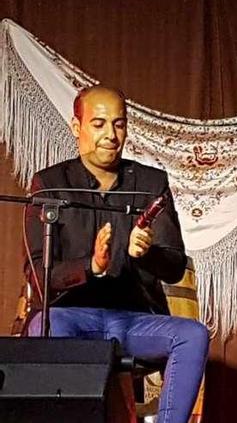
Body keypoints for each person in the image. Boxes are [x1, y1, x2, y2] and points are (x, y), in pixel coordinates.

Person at [24, 85, 210, 423]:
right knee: (43, 327)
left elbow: (174, 266)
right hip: (71, 317)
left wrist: (147, 253)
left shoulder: (150, 183)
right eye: (98, 124)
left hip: (133, 319)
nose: (111, 135)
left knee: (192, 334)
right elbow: (38, 276)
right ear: (76, 127)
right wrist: (91, 266)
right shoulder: (50, 185)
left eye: (119, 124)